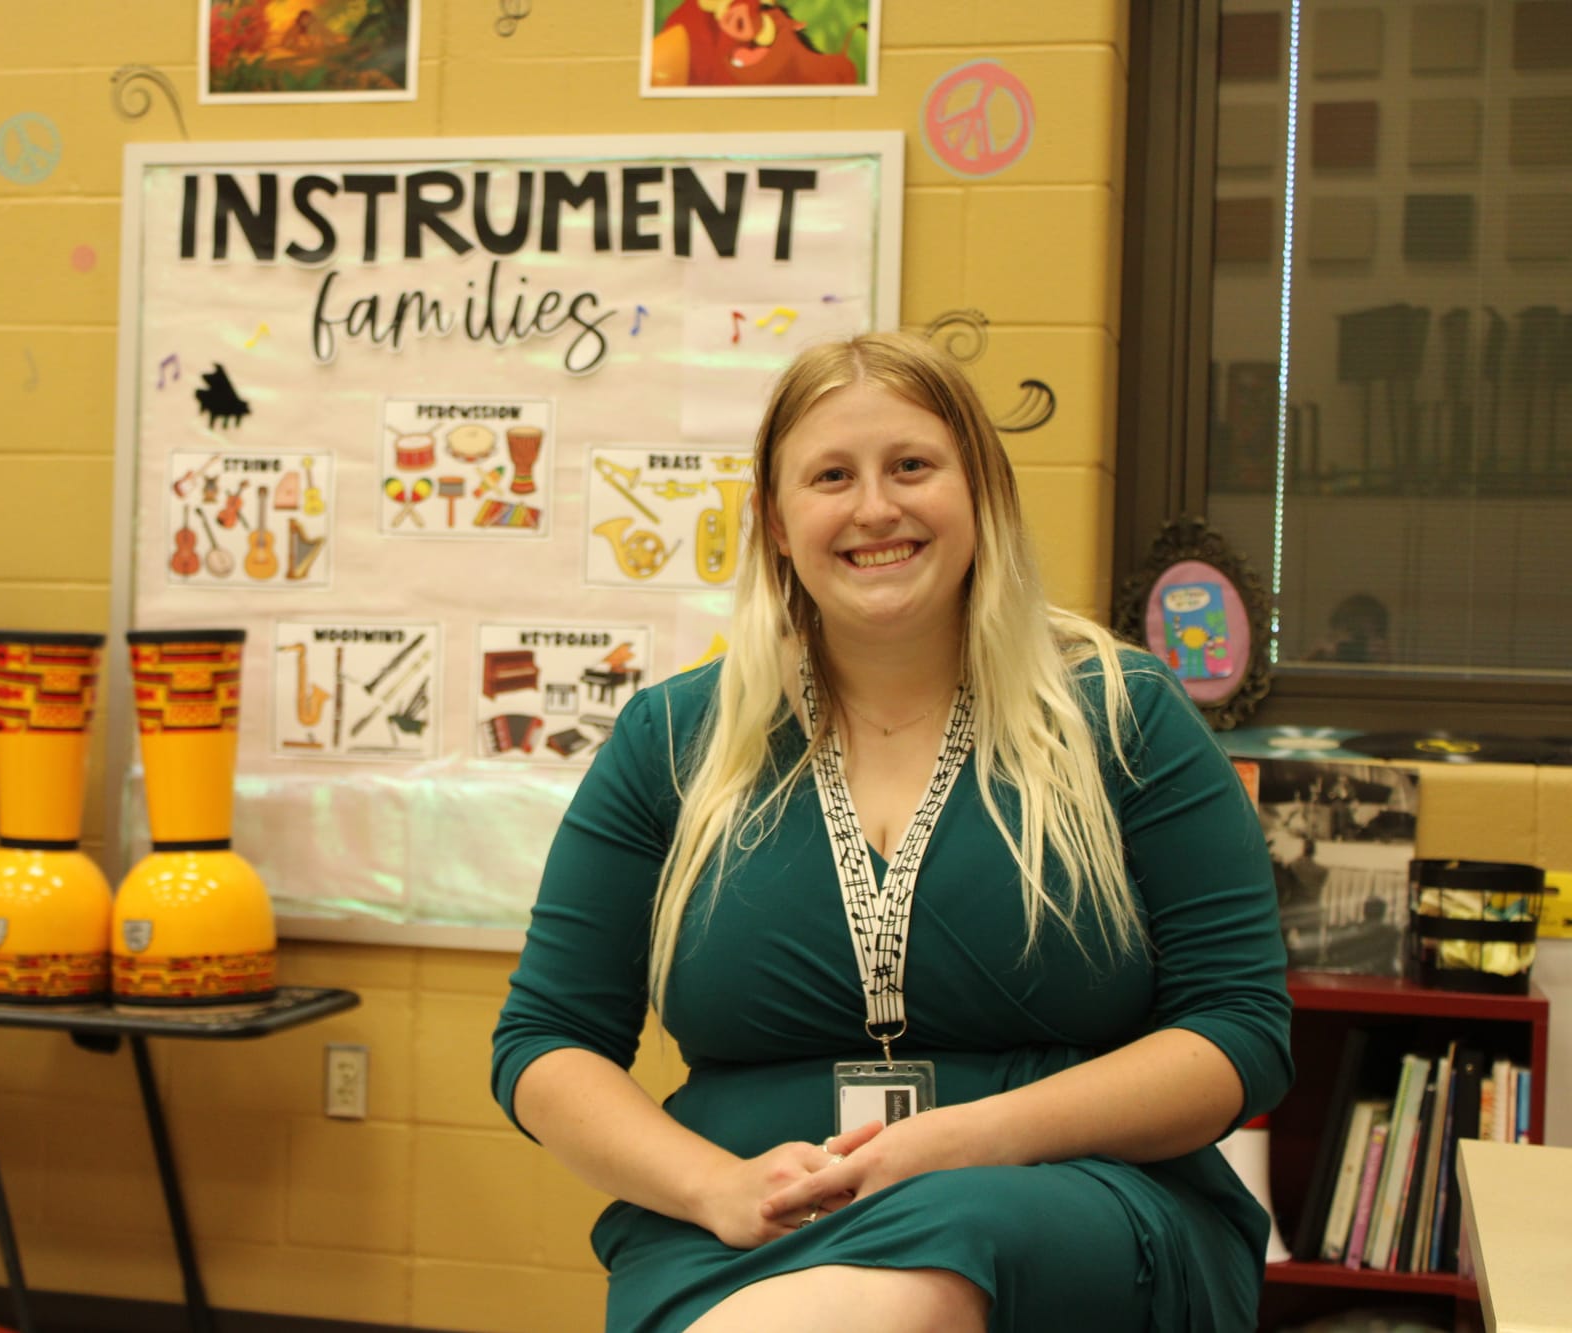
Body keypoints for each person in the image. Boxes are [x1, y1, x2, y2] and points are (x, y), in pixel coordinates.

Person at [490, 330, 1292, 1333]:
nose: (874, 507)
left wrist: (969, 1139)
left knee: (918, 1282)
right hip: (745, 1218)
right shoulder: (670, 739)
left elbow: (1237, 1030)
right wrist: (710, 1188)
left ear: (981, 494)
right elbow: (545, 1041)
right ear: (774, 523)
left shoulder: (1118, 714)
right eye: (830, 475)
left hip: (1063, 1195)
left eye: (911, 465)